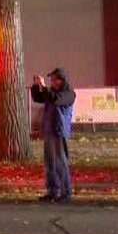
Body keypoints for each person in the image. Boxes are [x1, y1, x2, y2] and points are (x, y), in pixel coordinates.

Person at [31, 68, 75, 203]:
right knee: (50, 163)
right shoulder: (52, 93)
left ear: (61, 80)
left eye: (54, 79)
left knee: (60, 162)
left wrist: (44, 88)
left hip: (59, 131)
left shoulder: (68, 94)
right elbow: (38, 98)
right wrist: (36, 86)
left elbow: (55, 100)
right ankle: (53, 191)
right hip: (49, 131)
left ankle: (66, 192)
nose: (52, 82)